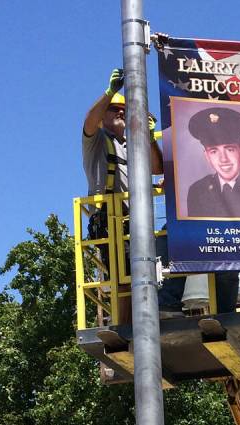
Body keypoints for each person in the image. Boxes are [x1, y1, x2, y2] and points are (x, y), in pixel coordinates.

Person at [82, 68, 185, 319]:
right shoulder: (96, 141)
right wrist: (110, 92)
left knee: (154, 265)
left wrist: (148, 138)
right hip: (111, 220)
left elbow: (157, 167)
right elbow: (88, 122)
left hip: (136, 220)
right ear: (103, 115)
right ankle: (127, 328)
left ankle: (153, 315)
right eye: (114, 109)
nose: (120, 112)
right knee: (125, 278)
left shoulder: (133, 145)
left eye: (123, 110)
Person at [186, 107, 240, 220]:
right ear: (207, 156)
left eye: (230, 149)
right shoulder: (197, 191)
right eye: (214, 151)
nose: (223, 159)